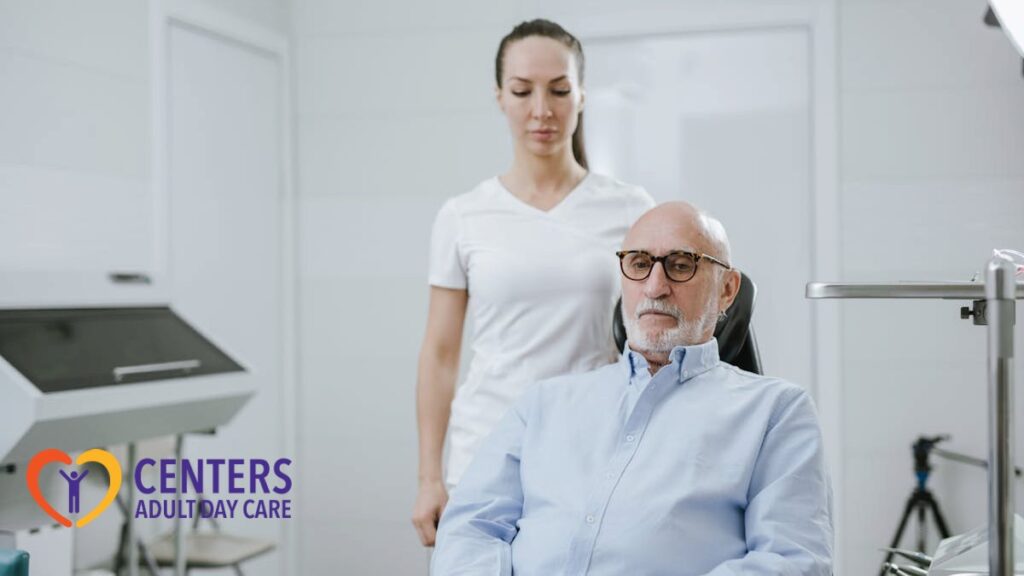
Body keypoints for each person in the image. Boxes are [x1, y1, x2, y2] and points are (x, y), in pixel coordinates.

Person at [431, 202, 833, 576]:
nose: (655, 286)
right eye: (639, 264)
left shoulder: (776, 412)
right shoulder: (543, 403)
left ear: (727, 290)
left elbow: (791, 562)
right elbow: (469, 528)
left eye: (680, 265)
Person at [412, 19, 655, 547]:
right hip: (485, 451)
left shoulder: (630, 209)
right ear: (500, 97)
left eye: (559, 90)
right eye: (523, 91)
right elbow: (439, 353)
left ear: (582, 95)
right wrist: (430, 477)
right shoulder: (463, 215)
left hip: (593, 451)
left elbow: (654, 340)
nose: (541, 110)